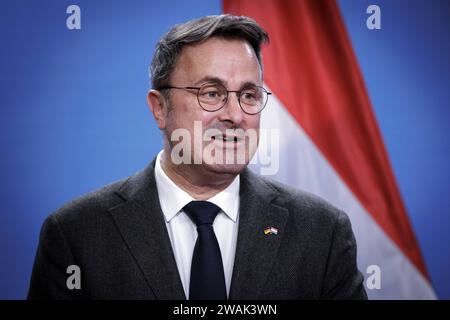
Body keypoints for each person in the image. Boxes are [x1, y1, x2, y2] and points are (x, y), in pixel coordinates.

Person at [28, 14, 367, 300]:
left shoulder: (322, 232)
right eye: (211, 93)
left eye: (248, 95)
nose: (235, 114)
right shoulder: (76, 234)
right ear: (160, 108)